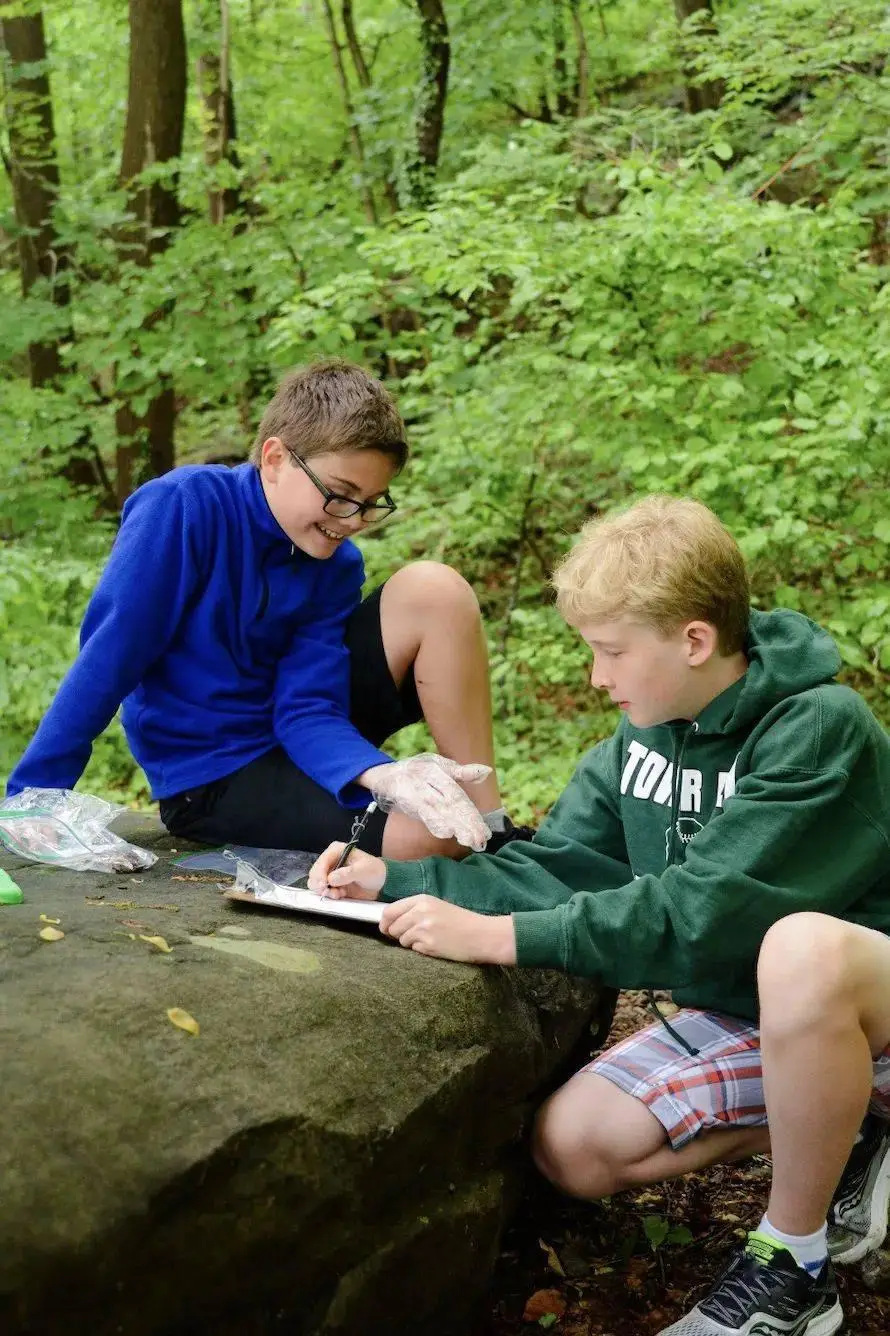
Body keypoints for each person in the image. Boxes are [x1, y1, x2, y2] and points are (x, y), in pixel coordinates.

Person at [308, 495, 890, 1336]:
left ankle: (791, 1266)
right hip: (765, 1019)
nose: (596, 677)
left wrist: (496, 937)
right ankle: (854, 1135)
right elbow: (555, 867)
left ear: (693, 640)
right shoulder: (639, 740)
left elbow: (701, 911)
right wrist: (393, 881)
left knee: (800, 949)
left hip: (864, 994)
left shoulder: (819, 729)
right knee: (573, 1147)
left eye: (612, 652)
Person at [7, 360, 529, 860]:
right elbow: (110, 657)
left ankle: (491, 820)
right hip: (216, 778)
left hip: (306, 740)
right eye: (341, 494)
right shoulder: (184, 507)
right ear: (276, 458)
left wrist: (383, 775)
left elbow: (307, 707)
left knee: (434, 590)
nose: (353, 520)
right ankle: (466, 837)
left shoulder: (336, 565)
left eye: (373, 502)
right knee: (437, 840)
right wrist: (32, 797)